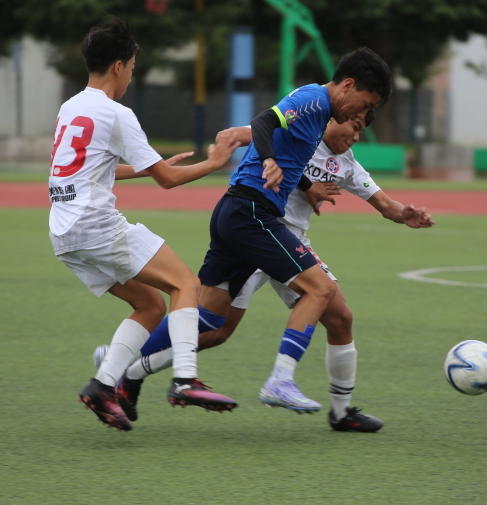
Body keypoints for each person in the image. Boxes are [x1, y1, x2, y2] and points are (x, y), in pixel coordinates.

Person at [96, 112, 434, 432]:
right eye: (354, 124)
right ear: (332, 117)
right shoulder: (299, 130)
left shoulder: (346, 164)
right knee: (214, 328)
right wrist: (303, 182)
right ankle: (125, 365)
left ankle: (341, 411)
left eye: (361, 130)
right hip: (255, 231)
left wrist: (405, 214)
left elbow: (385, 204)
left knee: (340, 317)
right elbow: (235, 135)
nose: (356, 135)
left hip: (290, 245)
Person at [49, 17, 240, 431]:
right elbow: (168, 181)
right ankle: (185, 380)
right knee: (186, 284)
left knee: (150, 305)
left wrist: (147, 166)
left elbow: (86, 169)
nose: (131, 77)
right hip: (95, 225)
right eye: (133, 68)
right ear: (119, 66)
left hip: (63, 232)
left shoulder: (71, 106)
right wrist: (215, 163)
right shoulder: (117, 113)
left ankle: (102, 386)